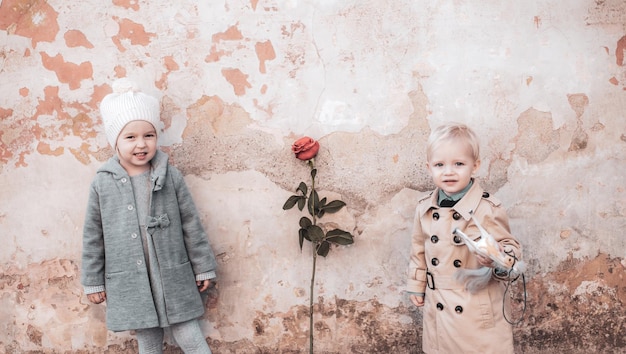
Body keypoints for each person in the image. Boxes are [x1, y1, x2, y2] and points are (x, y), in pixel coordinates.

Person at [81, 78, 217, 354]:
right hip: (132, 279)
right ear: (115, 140)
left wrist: (203, 266)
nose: (141, 144)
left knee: (188, 334)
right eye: (130, 137)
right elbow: (93, 237)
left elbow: (191, 224)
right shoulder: (102, 183)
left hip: (171, 273)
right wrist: (92, 280)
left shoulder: (169, 176)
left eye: (149, 135)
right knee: (148, 340)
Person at [406, 122, 522, 354]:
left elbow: (511, 250)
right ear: (429, 168)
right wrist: (417, 286)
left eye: (459, 164)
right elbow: (419, 249)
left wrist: (498, 259)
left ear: (475, 166)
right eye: (440, 164)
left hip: (475, 305)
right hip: (439, 303)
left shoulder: (488, 208)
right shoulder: (424, 208)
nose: (449, 172)